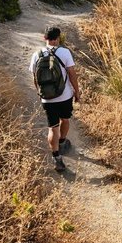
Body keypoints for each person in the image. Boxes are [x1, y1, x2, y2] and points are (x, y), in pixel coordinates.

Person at [29, 26, 79, 173]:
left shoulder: (36, 54)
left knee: (52, 127)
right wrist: (77, 92)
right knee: (65, 119)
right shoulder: (64, 52)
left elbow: (35, 78)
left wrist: (41, 94)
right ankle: (62, 142)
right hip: (64, 96)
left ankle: (57, 158)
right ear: (58, 38)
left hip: (47, 98)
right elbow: (72, 74)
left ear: (44, 38)